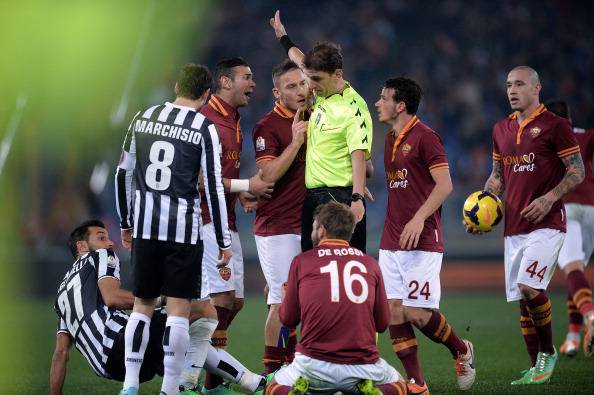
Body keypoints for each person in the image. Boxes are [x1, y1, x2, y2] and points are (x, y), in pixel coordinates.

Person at [114, 63, 233, 395]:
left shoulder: (142, 117)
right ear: (206, 94)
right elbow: (213, 188)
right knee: (179, 309)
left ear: (177, 86)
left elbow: (122, 173)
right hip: (183, 232)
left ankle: (130, 385)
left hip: (146, 229)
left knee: (143, 305)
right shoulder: (204, 127)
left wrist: (126, 222)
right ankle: (169, 388)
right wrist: (224, 240)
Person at [466, 66, 584, 385]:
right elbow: (497, 177)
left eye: (519, 84)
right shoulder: (500, 129)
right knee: (523, 300)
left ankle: (548, 354)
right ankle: (535, 369)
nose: (512, 90)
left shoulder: (555, 126)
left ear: (536, 89)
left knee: (530, 287)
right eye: (508, 85)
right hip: (513, 227)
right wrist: (482, 208)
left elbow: (577, 171)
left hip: (547, 222)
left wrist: (550, 198)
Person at [50, 220, 264, 395]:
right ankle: (187, 386)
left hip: (110, 368)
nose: (110, 243)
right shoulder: (100, 256)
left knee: (179, 338)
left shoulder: (61, 295)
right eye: (101, 237)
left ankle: (253, 383)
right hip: (121, 344)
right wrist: (165, 300)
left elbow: (60, 354)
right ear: (81, 246)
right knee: (202, 310)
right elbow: (113, 298)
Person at [375, 77, 475, 393]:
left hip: (423, 239)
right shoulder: (390, 138)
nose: (377, 103)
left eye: (383, 98)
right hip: (391, 240)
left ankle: (461, 349)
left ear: (400, 105)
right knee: (393, 312)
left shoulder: (426, 137)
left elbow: (445, 184)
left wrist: (419, 218)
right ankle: (418, 383)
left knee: (418, 313)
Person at [264, 202, 408, 395]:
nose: (312, 231)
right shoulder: (370, 264)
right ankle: (375, 392)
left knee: (272, 388)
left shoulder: (302, 261)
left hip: (313, 367)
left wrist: (284, 300)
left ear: (322, 230)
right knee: (401, 385)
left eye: (314, 227)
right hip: (363, 367)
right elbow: (382, 324)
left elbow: (289, 319)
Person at [198, 57, 273, 394]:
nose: (252, 83)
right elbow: (199, 179)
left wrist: (239, 194)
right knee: (221, 300)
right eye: (247, 76)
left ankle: (206, 372)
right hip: (204, 221)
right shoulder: (205, 119)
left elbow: (220, 177)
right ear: (225, 82)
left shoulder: (233, 119)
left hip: (225, 219)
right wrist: (246, 186)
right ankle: (208, 381)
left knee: (235, 302)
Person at [269, 10, 373, 252]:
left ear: (338, 74)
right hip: (313, 197)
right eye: (309, 77)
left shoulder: (353, 109)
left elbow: (358, 156)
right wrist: (282, 36)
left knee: (344, 263)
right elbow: (298, 58)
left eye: (315, 79)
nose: (310, 86)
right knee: (311, 265)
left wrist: (356, 198)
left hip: (340, 199)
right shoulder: (321, 86)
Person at [252, 59, 308, 373]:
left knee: (303, 301)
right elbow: (268, 173)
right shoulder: (267, 126)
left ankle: (295, 364)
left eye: (302, 83)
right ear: (277, 92)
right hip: (278, 227)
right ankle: (273, 373)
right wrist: (297, 141)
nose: (299, 90)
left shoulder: (316, 116)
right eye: (291, 86)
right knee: (281, 303)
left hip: (311, 224)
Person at [545, 99, 594, 357]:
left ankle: (590, 316)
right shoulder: (586, 136)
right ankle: (573, 337)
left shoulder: (545, 138)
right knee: (579, 273)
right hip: (592, 208)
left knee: (573, 269)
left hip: (566, 207)